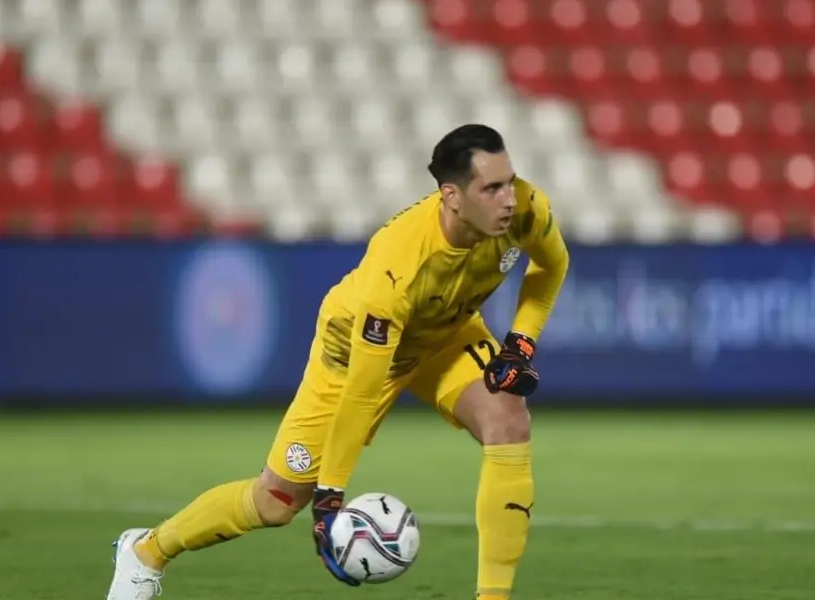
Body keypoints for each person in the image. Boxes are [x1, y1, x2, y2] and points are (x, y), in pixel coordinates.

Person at [105, 123, 570, 600]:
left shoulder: (526, 210)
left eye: (509, 180)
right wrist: (329, 502)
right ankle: (146, 552)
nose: (509, 198)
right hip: (352, 357)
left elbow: (552, 264)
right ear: (452, 196)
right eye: (492, 188)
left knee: (508, 419)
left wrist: (521, 343)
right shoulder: (398, 270)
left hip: (446, 338)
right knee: (277, 501)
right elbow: (362, 393)